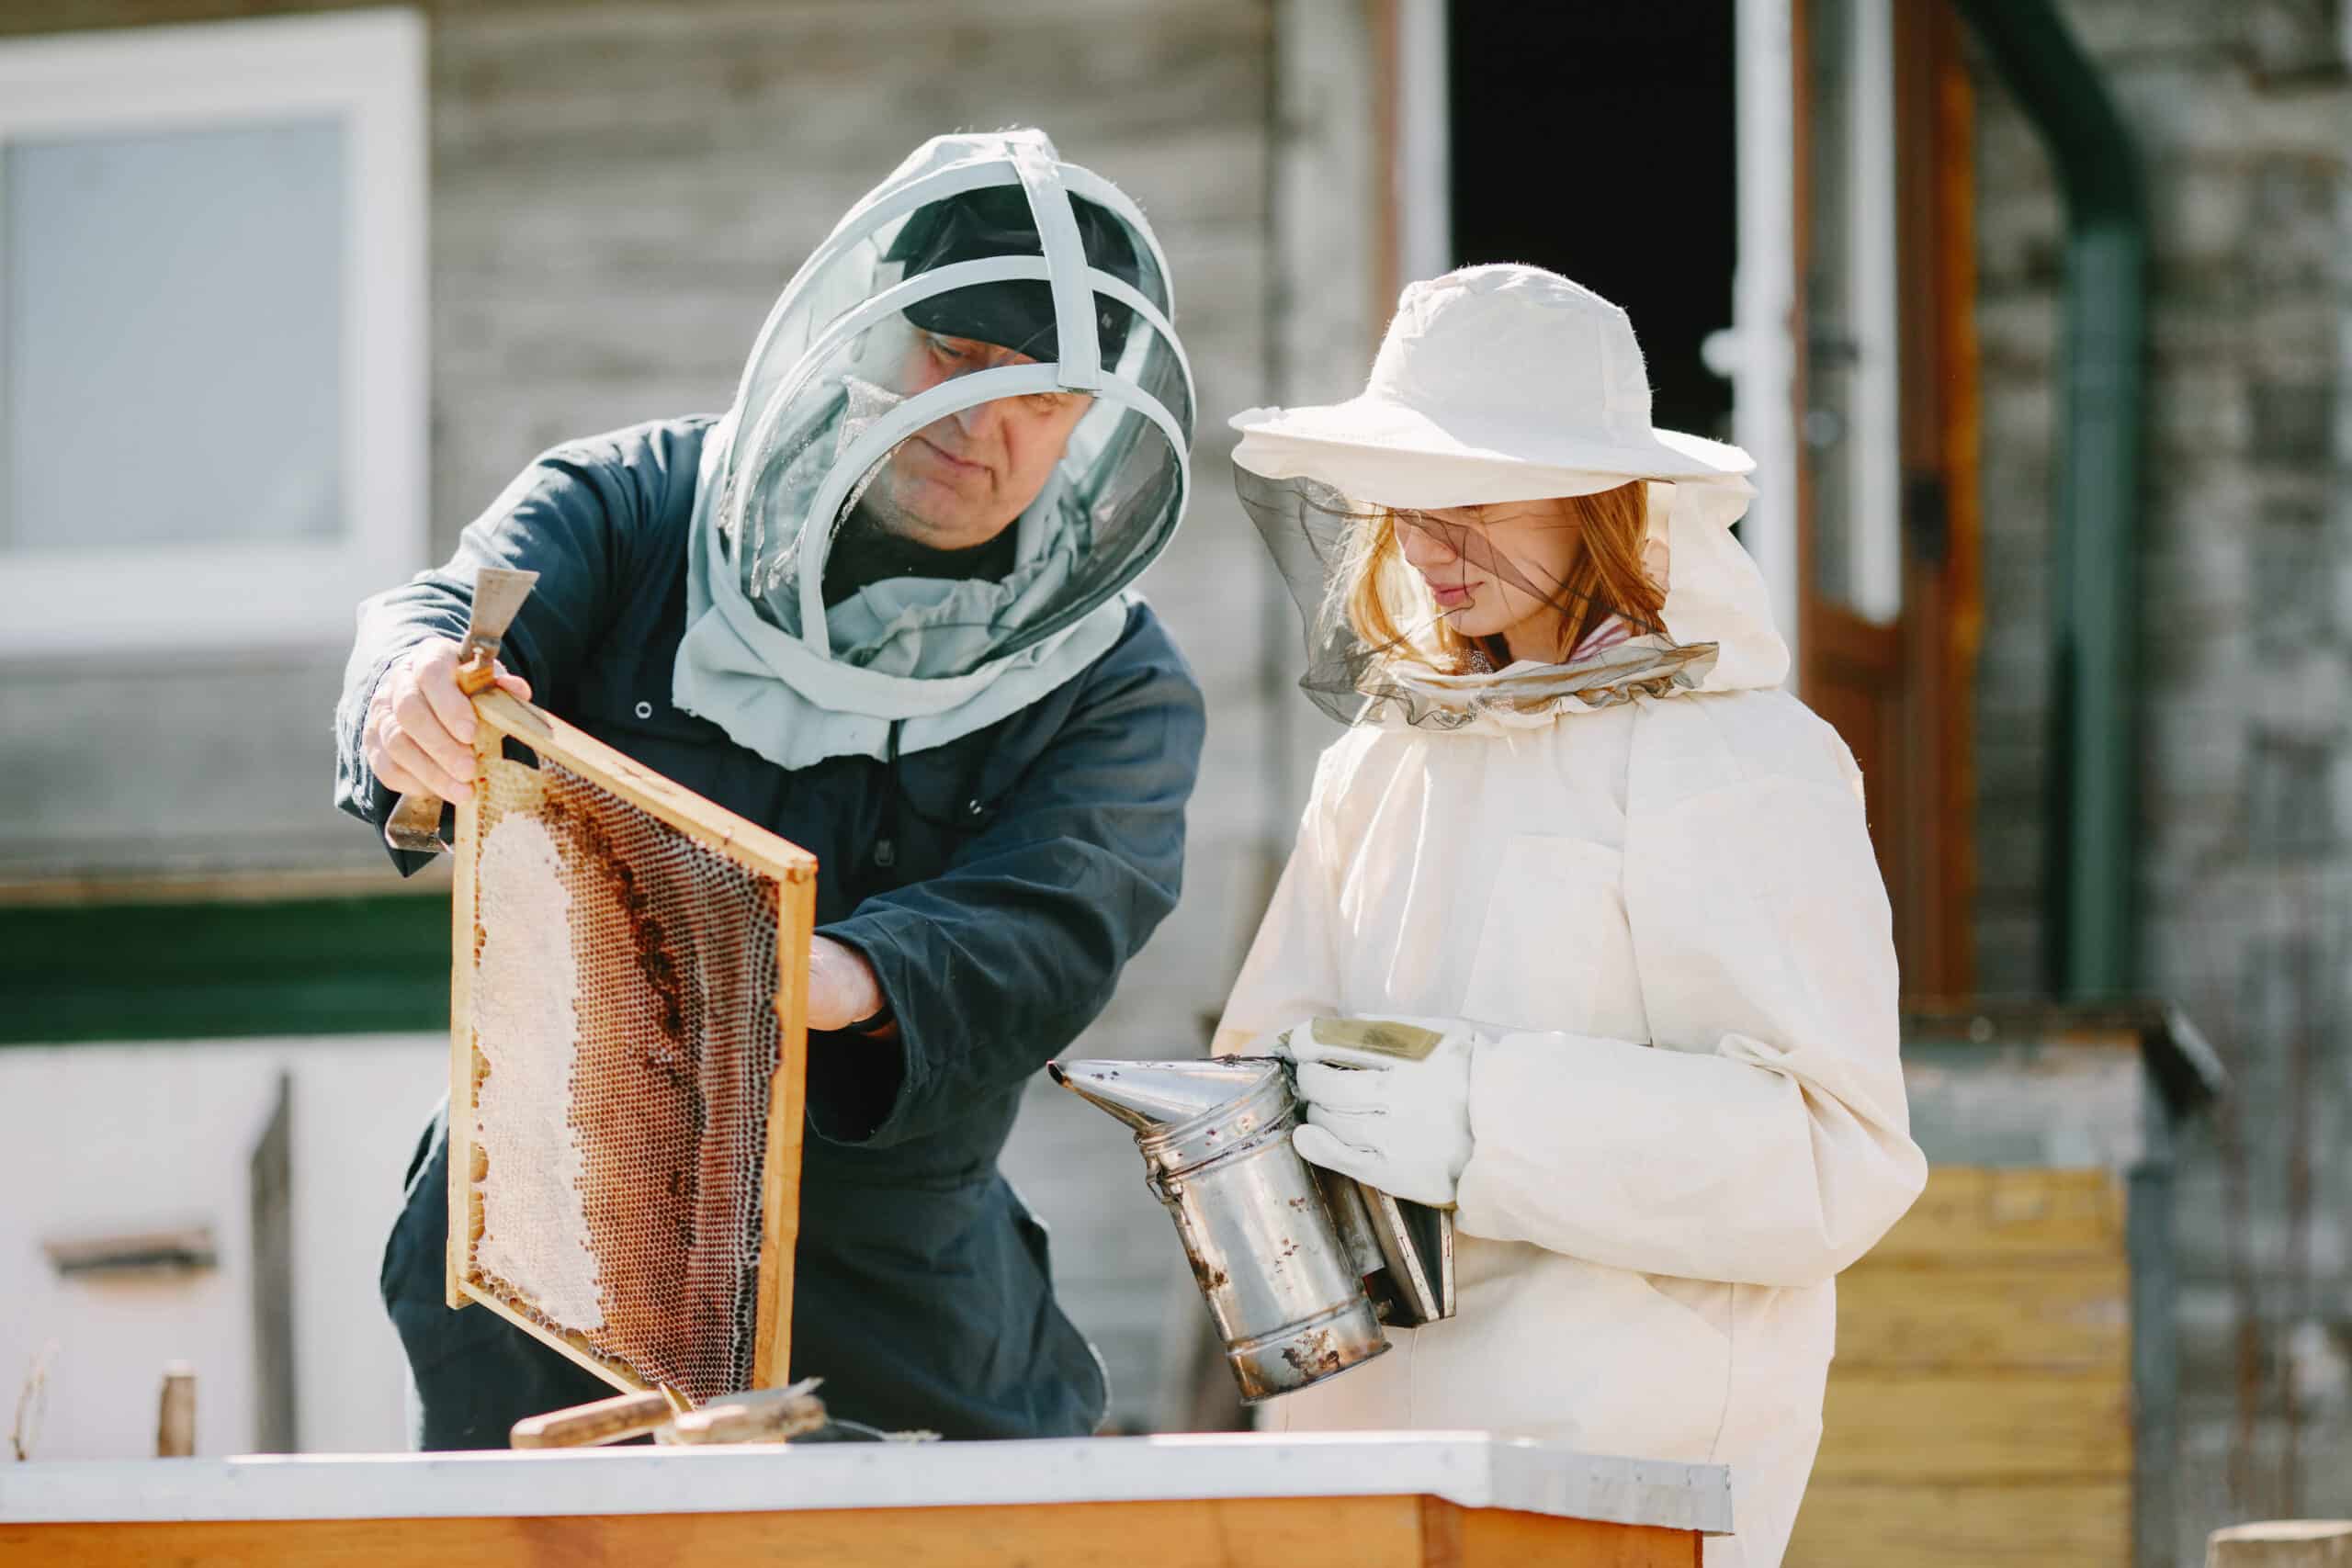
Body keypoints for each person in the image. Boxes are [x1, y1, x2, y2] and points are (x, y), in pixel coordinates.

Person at [335, 130, 1204, 1447]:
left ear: (1094, 424)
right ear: (865, 327)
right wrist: (408, 693)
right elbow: (441, 615)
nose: (982, 422)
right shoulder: (625, 508)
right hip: (551, 1242)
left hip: (900, 1297)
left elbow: (1060, 918)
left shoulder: (1117, 680)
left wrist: (799, 971)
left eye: (1043, 400)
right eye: (953, 358)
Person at [1214, 265, 1926, 1568]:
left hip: (1620, 1471)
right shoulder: (1378, 763)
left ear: (1599, 500)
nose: (1425, 548)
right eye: (1403, 506)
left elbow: (1836, 1158)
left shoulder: (1740, 759)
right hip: (1362, 1464)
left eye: (1469, 500)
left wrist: (1486, 1118)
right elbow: (1271, 1071)